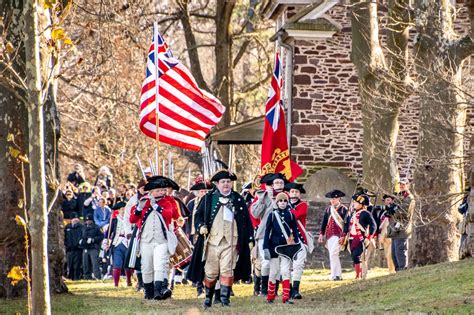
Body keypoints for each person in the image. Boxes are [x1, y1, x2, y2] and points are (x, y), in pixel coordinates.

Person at [188, 169, 254, 308]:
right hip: (212, 242)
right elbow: (198, 216)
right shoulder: (208, 198)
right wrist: (200, 227)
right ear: (217, 184)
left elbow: (246, 220)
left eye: (228, 182)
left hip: (232, 241)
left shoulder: (237, 198)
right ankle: (208, 297)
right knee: (211, 271)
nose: (226, 184)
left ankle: (225, 300)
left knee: (227, 270)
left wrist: (249, 239)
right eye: (223, 182)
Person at [129, 176, 179, 300]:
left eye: (163, 190)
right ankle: (148, 291)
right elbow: (132, 219)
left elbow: (170, 215)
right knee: (146, 266)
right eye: (158, 190)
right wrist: (139, 208)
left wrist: (156, 206)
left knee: (160, 264)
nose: (162, 192)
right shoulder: (143, 202)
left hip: (161, 240)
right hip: (146, 240)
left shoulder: (167, 202)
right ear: (151, 191)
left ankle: (158, 291)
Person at [250, 172, 287, 295]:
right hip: (264, 233)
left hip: (280, 235)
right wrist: (262, 199)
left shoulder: (285, 196)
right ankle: (264, 289)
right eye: (276, 183)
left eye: (280, 182)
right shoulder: (262, 195)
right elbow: (255, 214)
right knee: (266, 262)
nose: (278, 185)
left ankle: (274, 290)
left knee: (277, 263)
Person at [263, 192, 300, 304]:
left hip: (287, 247)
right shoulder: (272, 215)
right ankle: (270, 297)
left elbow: (295, 231)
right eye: (280, 201)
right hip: (274, 247)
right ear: (277, 202)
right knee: (273, 272)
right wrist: (265, 248)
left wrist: (296, 247)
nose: (283, 203)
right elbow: (266, 232)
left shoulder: (291, 215)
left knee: (285, 272)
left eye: (285, 201)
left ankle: (286, 298)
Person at [185, 177, 214, 297]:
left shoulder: (211, 201)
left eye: (205, 191)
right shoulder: (192, 203)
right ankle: (199, 287)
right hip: (195, 234)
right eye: (201, 191)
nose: (203, 193)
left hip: (210, 235)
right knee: (198, 261)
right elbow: (190, 219)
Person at [344, 194, 376, 279]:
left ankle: (359, 275)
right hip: (351, 238)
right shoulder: (352, 213)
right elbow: (347, 225)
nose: (354, 204)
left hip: (361, 238)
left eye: (356, 202)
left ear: (361, 204)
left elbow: (373, 226)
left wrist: (369, 237)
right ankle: (359, 274)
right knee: (354, 257)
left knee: (357, 256)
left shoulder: (366, 213)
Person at [285, 182, 308, 299]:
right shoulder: (284, 205)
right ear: (288, 193)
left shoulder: (303, 205)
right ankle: (288, 290)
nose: (294, 194)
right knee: (286, 266)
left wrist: (286, 207)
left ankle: (295, 289)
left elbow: (296, 216)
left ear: (299, 194)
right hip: (285, 239)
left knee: (298, 265)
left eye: (296, 192)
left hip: (299, 239)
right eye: (292, 192)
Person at [318, 189, 348, 281]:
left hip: (339, 235)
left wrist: (343, 235)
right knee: (333, 255)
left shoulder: (344, 209)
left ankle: (336, 275)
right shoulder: (328, 209)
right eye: (331, 199)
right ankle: (336, 274)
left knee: (333, 253)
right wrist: (321, 234)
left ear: (339, 199)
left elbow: (346, 224)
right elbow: (324, 223)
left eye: (334, 199)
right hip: (330, 235)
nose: (332, 200)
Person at [389, 179, 415, 271]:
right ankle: (397, 270)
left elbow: (404, 213)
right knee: (394, 253)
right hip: (395, 228)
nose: (401, 186)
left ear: (408, 185)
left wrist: (394, 210)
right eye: (400, 184)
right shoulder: (399, 196)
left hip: (403, 228)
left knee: (400, 251)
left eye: (403, 184)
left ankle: (402, 270)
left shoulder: (409, 198)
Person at [108, 201, 133, 287]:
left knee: (128, 264)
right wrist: (106, 240)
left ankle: (129, 281)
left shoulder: (130, 220)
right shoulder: (114, 220)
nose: (124, 211)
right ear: (118, 210)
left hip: (127, 243)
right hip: (117, 243)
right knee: (117, 264)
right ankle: (116, 284)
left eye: (125, 209)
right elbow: (108, 232)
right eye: (122, 209)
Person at [80, 214, 104, 280]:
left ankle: (97, 276)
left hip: (93, 247)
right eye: (87, 220)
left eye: (89, 220)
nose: (88, 222)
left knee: (95, 263)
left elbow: (101, 236)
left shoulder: (97, 227)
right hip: (85, 247)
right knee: (85, 263)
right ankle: (87, 277)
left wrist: (93, 239)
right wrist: (81, 241)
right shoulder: (83, 227)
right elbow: (81, 235)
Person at [64, 212, 83, 280]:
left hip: (78, 249)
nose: (75, 219)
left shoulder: (81, 227)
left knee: (77, 265)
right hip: (69, 250)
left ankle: (76, 278)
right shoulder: (67, 227)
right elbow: (65, 237)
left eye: (76, 218)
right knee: (70, 265)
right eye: (73, 218)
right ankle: (71, 278)